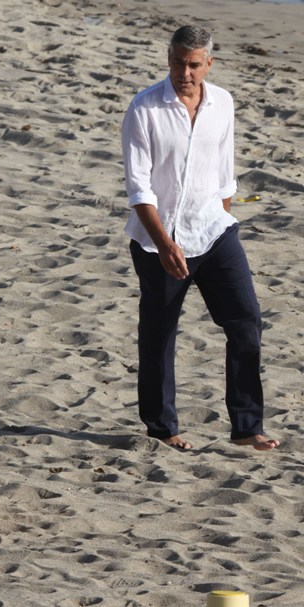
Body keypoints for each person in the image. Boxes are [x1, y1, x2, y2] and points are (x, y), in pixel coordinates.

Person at [121, 25, 279, 451]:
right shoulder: (144, 108)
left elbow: (224, 175)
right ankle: (162, 428)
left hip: (214, 231)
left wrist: (222, 222)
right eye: (177, 62)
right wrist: (165, 243)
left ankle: (247, 426)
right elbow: (139, 189)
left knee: (246, 323)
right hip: (158, 240)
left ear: (209, 63)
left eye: (193, 64)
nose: (184, 72)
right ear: (168, 59)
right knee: (159, 335)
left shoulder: (222, 103)